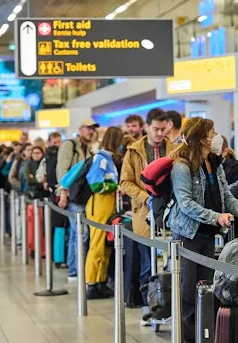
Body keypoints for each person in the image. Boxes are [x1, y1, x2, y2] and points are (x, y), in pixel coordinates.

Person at [168, 117, 238, 343]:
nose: (216, 136)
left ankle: (204, 334)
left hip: (208, 234)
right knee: (187, 291)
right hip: (188, 234)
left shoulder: (214, 162)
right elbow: (185, 204)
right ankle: (187, 338)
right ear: (201, 138)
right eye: (212, 132)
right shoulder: (182, 166)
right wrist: (216, 217)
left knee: (206, 287)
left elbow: (225, 196)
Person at [119, 107, 174, 325]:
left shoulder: (174, 149)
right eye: (156, 129)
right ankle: (148, 307)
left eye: (163, 129)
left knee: (170, 264)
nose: (160, 133)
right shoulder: (133, 151)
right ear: (147, 127)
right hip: (143, 215)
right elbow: (125, 182)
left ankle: (168, 307)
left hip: (170, 214)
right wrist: (146, 197)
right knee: (146, 264)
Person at [84, 127, 125, 299]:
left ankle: (100, 281)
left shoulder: (107, 159)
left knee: (105, 245)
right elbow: (95, 185)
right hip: (99, 205)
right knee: (97, 245)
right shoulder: (101, 159)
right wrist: (116, 187)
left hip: (107, 205)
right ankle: (91, 283)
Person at [57, 118, 99, 281]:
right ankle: (75, 270)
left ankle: (74, 268)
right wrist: (63, 193)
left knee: (77, 233)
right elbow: (63, 170)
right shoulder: (69, 146)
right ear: (80, 129)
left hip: (82, 195)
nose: (91, 131)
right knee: (81, 233)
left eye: (92, 129)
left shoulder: (87, 148)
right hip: (72, 195)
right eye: (88, 128)